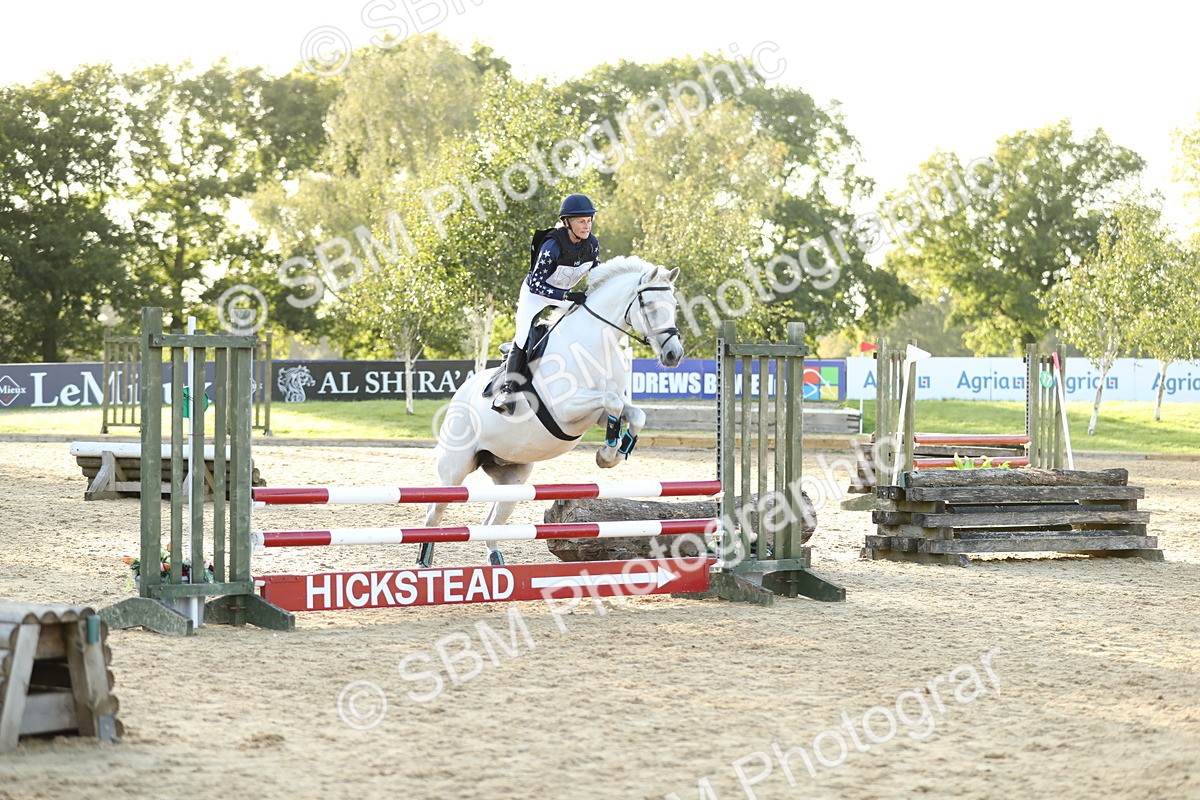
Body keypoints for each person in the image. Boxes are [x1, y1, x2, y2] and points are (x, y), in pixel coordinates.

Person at [492, 193, 601, 414]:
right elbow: (536, 285)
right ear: (567, 222)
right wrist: (567, 296)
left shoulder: (592, 244)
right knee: (523, 335)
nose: (586, 225)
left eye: (589, 220)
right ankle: (507, 389)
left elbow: (597, 273)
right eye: (581, 221)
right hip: (535, 295)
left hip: (563, 295)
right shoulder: (552, 245)